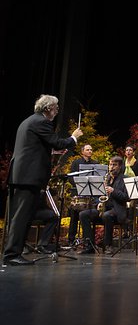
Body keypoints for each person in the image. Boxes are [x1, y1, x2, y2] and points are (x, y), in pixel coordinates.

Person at [3, 94, 82, 266]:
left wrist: (51, 152)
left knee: (22, 216)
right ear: (48, 109)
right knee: (22, 217)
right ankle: (11, 255)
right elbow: (58, 142)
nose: (57, 110)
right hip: (28, 177)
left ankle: (14, 252)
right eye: (55, 107)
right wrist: (74, 137)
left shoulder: (29, 121)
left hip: (21, 175)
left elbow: (33, 147)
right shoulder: (42, 122)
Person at [78, 156, 129, 254]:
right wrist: (99, 203)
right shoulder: (107, 178)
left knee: (107, 216)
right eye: (110, 164)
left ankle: (108, 245)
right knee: (83, 214)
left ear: (120, 166)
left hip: (117, 209)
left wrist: (113, 191)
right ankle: (89, 245)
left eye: (114, 165)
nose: (111, 167)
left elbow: (126, 197)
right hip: (104, 208)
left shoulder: (125, 179)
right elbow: (98, 194)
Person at [67, 144, 97, 247]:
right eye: (88, 149)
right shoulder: (76, 163)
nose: (90, 151)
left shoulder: (95, 163)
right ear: (82, 152)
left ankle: (88, 240)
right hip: (77, 193)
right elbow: (70, 177)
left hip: (90, 195)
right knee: (74, 216)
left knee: (88, 216)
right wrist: (79, 185)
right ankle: (71, 239)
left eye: (91, 149)